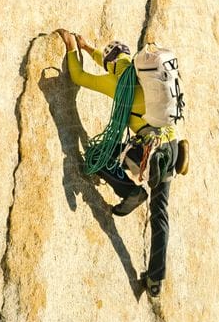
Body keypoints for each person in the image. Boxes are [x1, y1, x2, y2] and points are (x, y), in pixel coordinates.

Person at [60, 30, 186, 300]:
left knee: (99, 154)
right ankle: (155, 280)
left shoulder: (116, 84)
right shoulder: (139, 72)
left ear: (112, 65)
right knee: (161, 215)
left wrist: (72, 49)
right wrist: (89, 46)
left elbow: (80, 77)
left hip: (149, 155)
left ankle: (131, 192)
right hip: (171, 148)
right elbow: (110, 61)